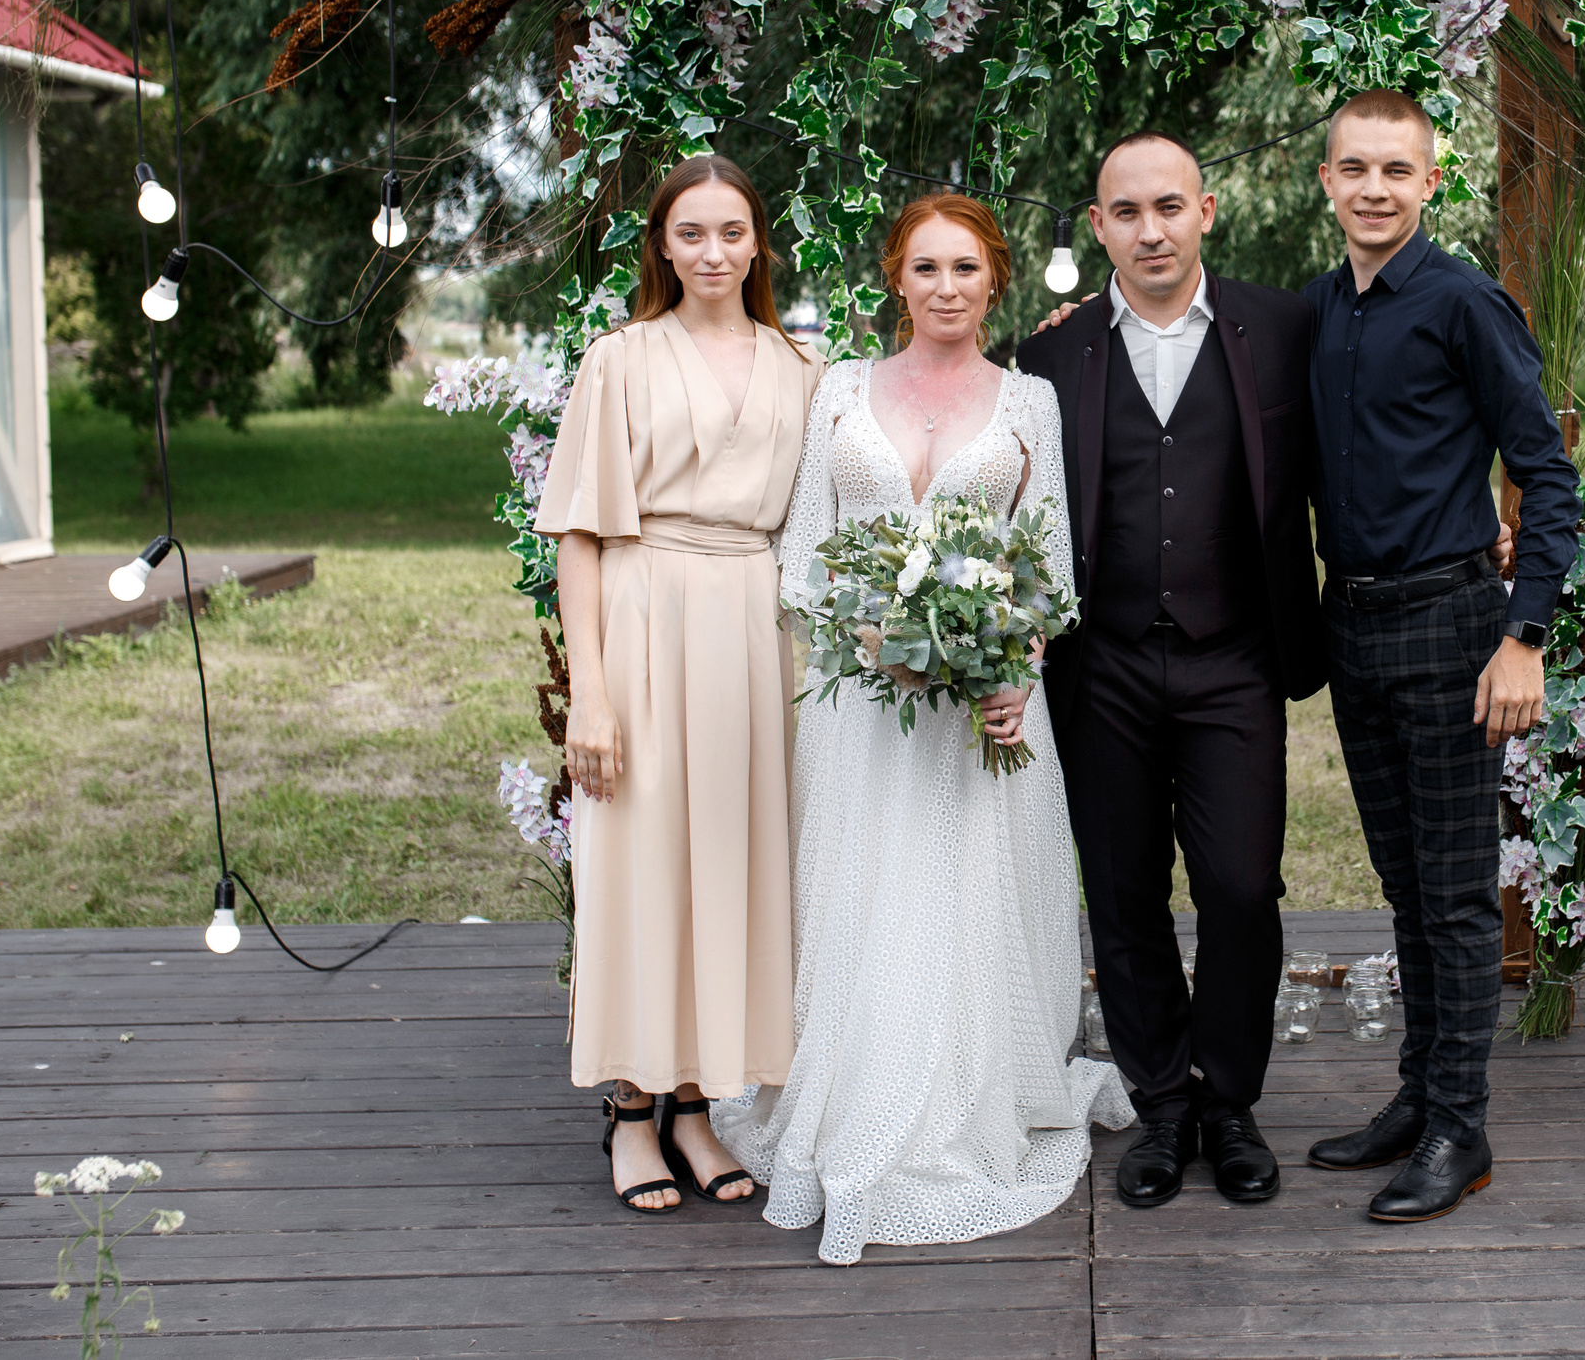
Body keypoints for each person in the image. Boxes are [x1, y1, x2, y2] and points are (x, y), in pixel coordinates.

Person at [714, 193, 1134, 1265]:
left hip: (982, 708)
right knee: (865, 896)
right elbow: (803, 554)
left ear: (995, 281)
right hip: (861, 709)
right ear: (895, 279)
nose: (947, 288)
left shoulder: (1030, 402)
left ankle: (962, 1099)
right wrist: (873, 643)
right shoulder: (839, 391)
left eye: (966, 269)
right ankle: (852, 1093)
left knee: (962, 900)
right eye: (926, 268)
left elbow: (1049, 567)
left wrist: (1014, 670)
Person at [1014, 131, 1325, 1211]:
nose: (1151, 230)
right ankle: (1162, 1107)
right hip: (1099, 662)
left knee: (1241, 885)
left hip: (1235, 655)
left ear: (1206, 212)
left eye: (1169, 207)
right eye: (1127, 212)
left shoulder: (1283, 327)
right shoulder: (1048, 357)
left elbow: (1356, 447)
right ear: (1098, 226)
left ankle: (1228, 1101)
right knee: (1123, 892)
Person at [1301, 89, 1580, 1223]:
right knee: (1405, 885)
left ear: (1429, 181)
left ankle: (1461, 1129)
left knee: (1459, 897)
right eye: (1354, 168)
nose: (1373, 189)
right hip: (1353, 624)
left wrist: (1524, 636)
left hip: (1455, 625)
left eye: (1395, 170)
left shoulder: (1465, 302)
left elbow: (1546, 475)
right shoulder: (1320, 308)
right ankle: (1419, 1097)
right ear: (1327, 180)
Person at [537, 153, 824, 1214]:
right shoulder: (620, 360)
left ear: (758, 245)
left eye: (731, 232)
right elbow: (578, 535)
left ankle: (697, 1105)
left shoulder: (802, 368)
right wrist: (591, 694)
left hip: (750, 624)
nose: (712, 252)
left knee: (730, 865)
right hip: (644, 612)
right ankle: (630, 1107)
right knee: (642, 860)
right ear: (661, 243)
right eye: (691, 232)